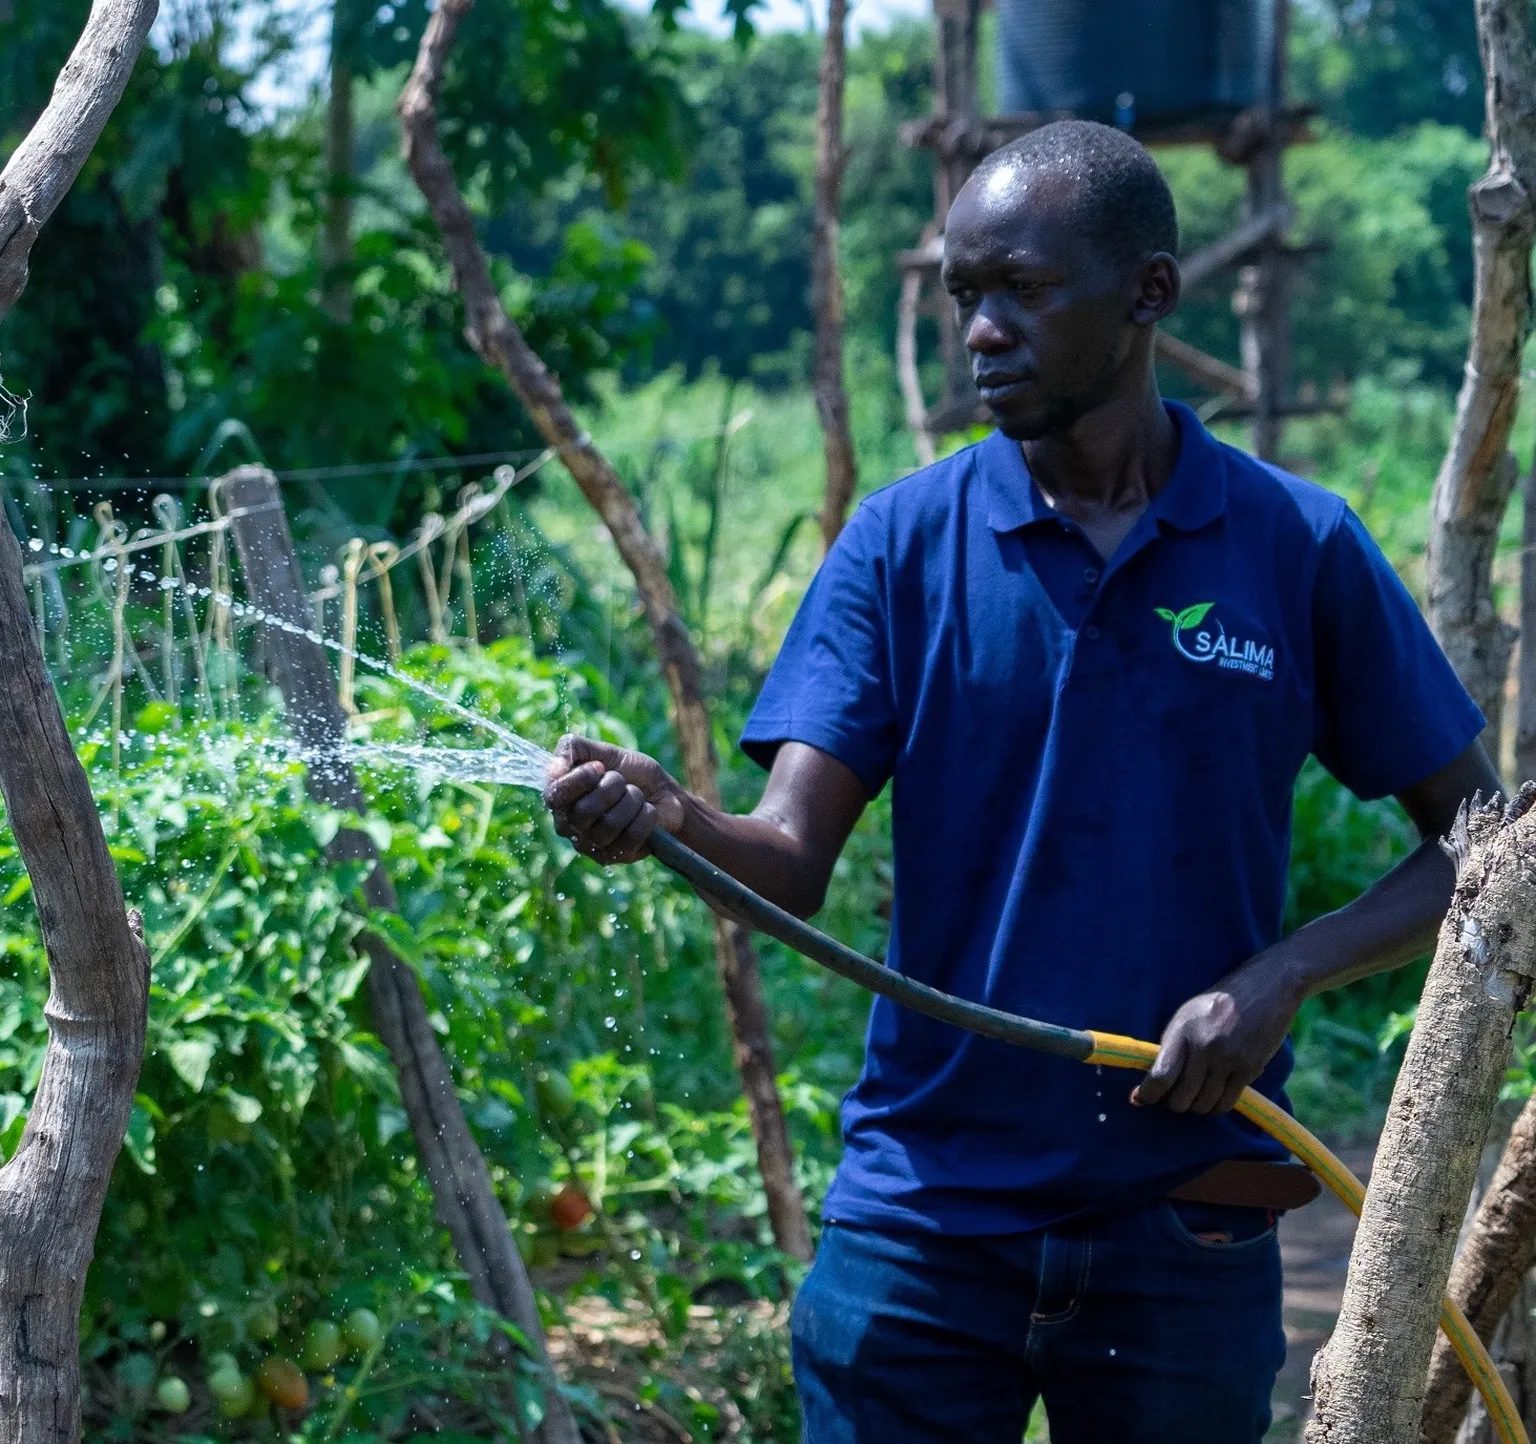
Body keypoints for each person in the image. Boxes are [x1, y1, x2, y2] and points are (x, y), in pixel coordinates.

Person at [543, 120, 1498, 1443]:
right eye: (963, 296)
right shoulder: (903, 545)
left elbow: (1487, 839)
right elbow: (788, 859)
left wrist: (1280, 977)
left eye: (1024, 291)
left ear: (1151, 293)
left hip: (1189, 1211)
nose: (981, 330)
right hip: (924, 1215)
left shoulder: (1296, 543)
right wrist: (666, 819)